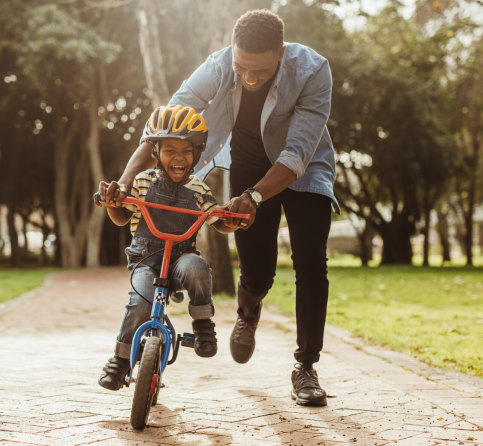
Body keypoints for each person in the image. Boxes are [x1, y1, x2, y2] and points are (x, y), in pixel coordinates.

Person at [104, 10, 338, 406]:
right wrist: (125, 181)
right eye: (242, 67)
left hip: (304, 167)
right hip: (249, 164)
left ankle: (306, 366)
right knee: (259, 272)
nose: (249, 78)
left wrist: (256, 197)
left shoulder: (313, 71)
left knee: (311, 261)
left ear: (281, 53)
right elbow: (165, 125)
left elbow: (297, 152)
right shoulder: (217, 65)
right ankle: (249, 310)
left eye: (260, 71)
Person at [97, 105, 239, 391]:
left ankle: (202, 324)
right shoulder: (141, 182)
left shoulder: (199, 189)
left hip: (181, 259)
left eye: (187, 151)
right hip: (146, 259)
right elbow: (123, 216)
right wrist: (113, 204)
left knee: (198, 269)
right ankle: (121, 360)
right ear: (155, 152)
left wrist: (232, 221)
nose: (179, 158)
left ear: (197, 154)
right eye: (170, 150)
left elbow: (216, 221)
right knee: (140, 303)